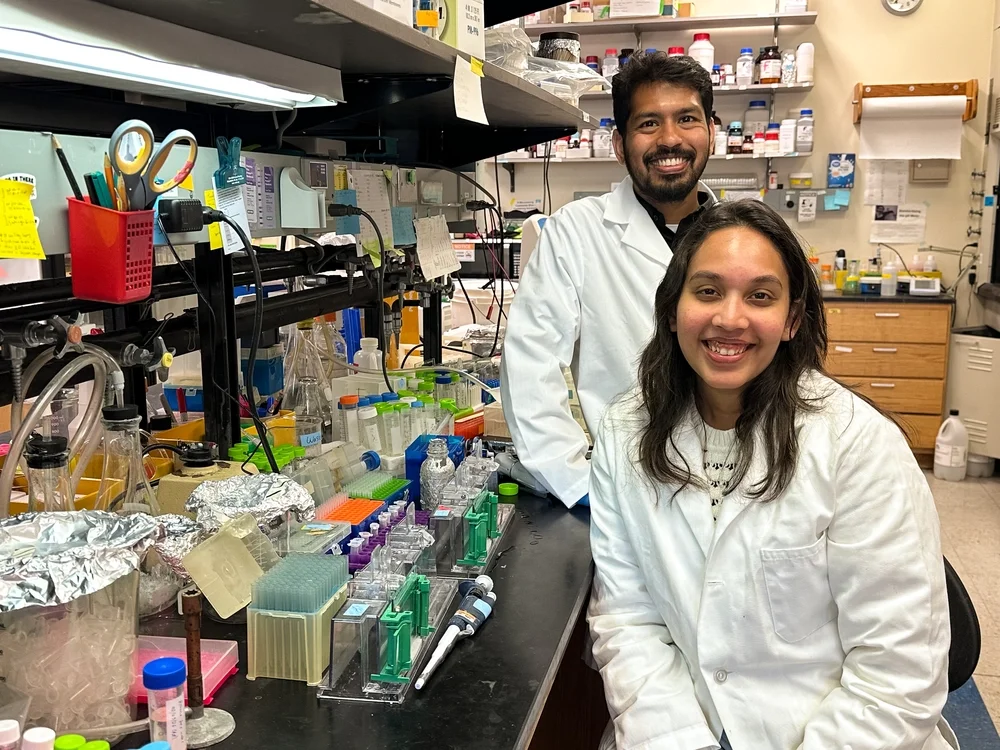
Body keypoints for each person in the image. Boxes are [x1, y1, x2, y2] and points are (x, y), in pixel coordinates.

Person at [588, 200, 955, 750]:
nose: (729, 318)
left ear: (791, 319)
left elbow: (898, 673)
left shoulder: (858, 445)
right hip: (681, 728)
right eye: (707, 290)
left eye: (760, 296)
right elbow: (628, 621)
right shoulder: (624, 432)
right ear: (672, 309)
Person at [500, 53, 718, 508]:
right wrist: (576, 479)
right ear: (620, 144)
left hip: (743, 483)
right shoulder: (574, 233)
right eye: (648, 124)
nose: (670, 139)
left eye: (687, 119)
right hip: (629, 491)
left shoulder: (747, 238)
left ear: (711, 131)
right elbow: (530, 365)